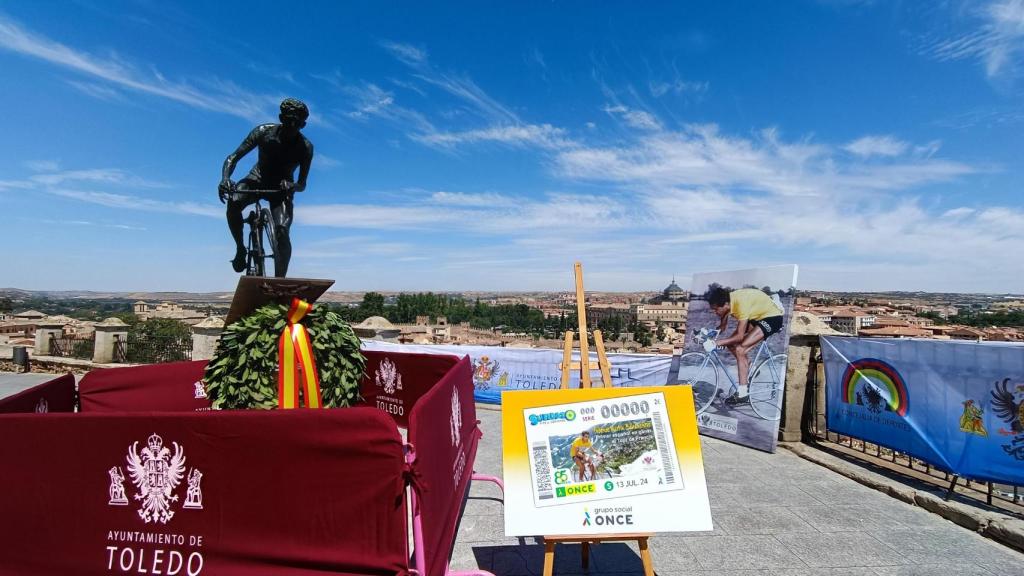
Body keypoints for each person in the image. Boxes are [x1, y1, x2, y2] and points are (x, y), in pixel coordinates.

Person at [219, 98, 314, 277]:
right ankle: (240, 248)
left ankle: (280, 281)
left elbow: (302, 184)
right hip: (257, 179)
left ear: (303, 125)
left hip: (281, 189)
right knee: (233, 202)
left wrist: (292, 185)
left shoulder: (306, 148)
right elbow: (233, 157)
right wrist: (225, 178)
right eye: (288, 121)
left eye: (296, 124)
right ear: (281, 118)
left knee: (282, 230)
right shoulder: (263, 132)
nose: (291, 127)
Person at [706, 287, 785, 405]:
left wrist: (716, 343)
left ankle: (743, 394)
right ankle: (751, 368)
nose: (715, 312)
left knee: (740, 349)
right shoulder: (728, 303)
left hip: (772, 318)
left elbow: (739, 336)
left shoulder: (741, 304)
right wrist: (711, 333)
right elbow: (723, 323)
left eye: (716, 309)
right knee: (731, 345)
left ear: (726, 305)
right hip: (758, 317)